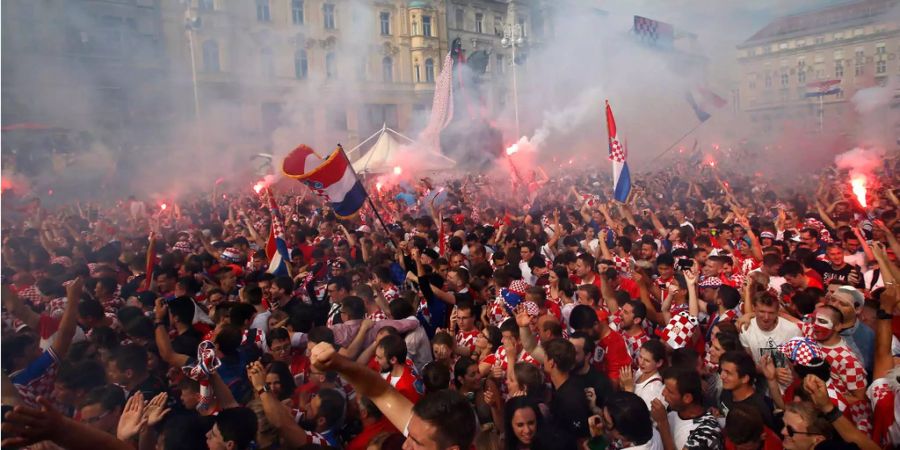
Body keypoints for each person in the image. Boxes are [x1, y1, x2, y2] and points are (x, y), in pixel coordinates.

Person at [309, 341, 478, 450]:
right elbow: (380, 391)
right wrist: (339, 364)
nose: (405, 446)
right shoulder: (426, 430)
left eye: (417, 443)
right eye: (409, 435)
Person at [651, 367, 722, 450]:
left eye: (669, 391)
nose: (663, 393)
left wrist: (662, 423)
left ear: (687, 398)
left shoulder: (707, 432)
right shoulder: (673, 411)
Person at [718, 350, 778, 432]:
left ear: (745, 378)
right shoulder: (726, 391)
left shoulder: (758, 409)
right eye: (722, 371)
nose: (722, 376)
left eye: (728, 373)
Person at [543, 338, 591, 441]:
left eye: (545, 357)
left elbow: (581, 438)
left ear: (551, 363)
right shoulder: (562, 387)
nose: (543, 360)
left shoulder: (571, 399)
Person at [739, 292, 801, 364]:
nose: (766, 317)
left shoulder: (793, 330)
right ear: (753, 308)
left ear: (777, 311)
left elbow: (798, 364)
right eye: (762, 312)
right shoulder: (746, 330)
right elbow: (750, 364)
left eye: (771, 313)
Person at [621, 339, 666, 410]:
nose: (641, 363)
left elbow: (636, 415)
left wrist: (628, 388)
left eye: (647, 360)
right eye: (640, 357)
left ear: (659, 363)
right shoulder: (641, 371)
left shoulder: (653, 389)